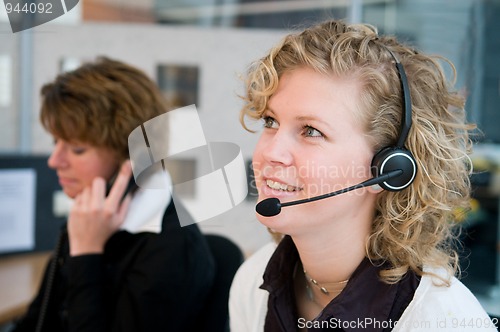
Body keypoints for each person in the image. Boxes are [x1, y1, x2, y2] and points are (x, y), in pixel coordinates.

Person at [229, 19, 498, 331]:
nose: (271, 152)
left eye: (311, 131)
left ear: (390, 170)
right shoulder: (253, 283)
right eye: (271, 121)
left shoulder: (441, 320)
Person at [11, 57, 215, 332]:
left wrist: (86, 254)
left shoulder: (172, 251)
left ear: (131, 156)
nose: (54, 160)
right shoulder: (93, 216)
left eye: (77, 149)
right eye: (55, 142)